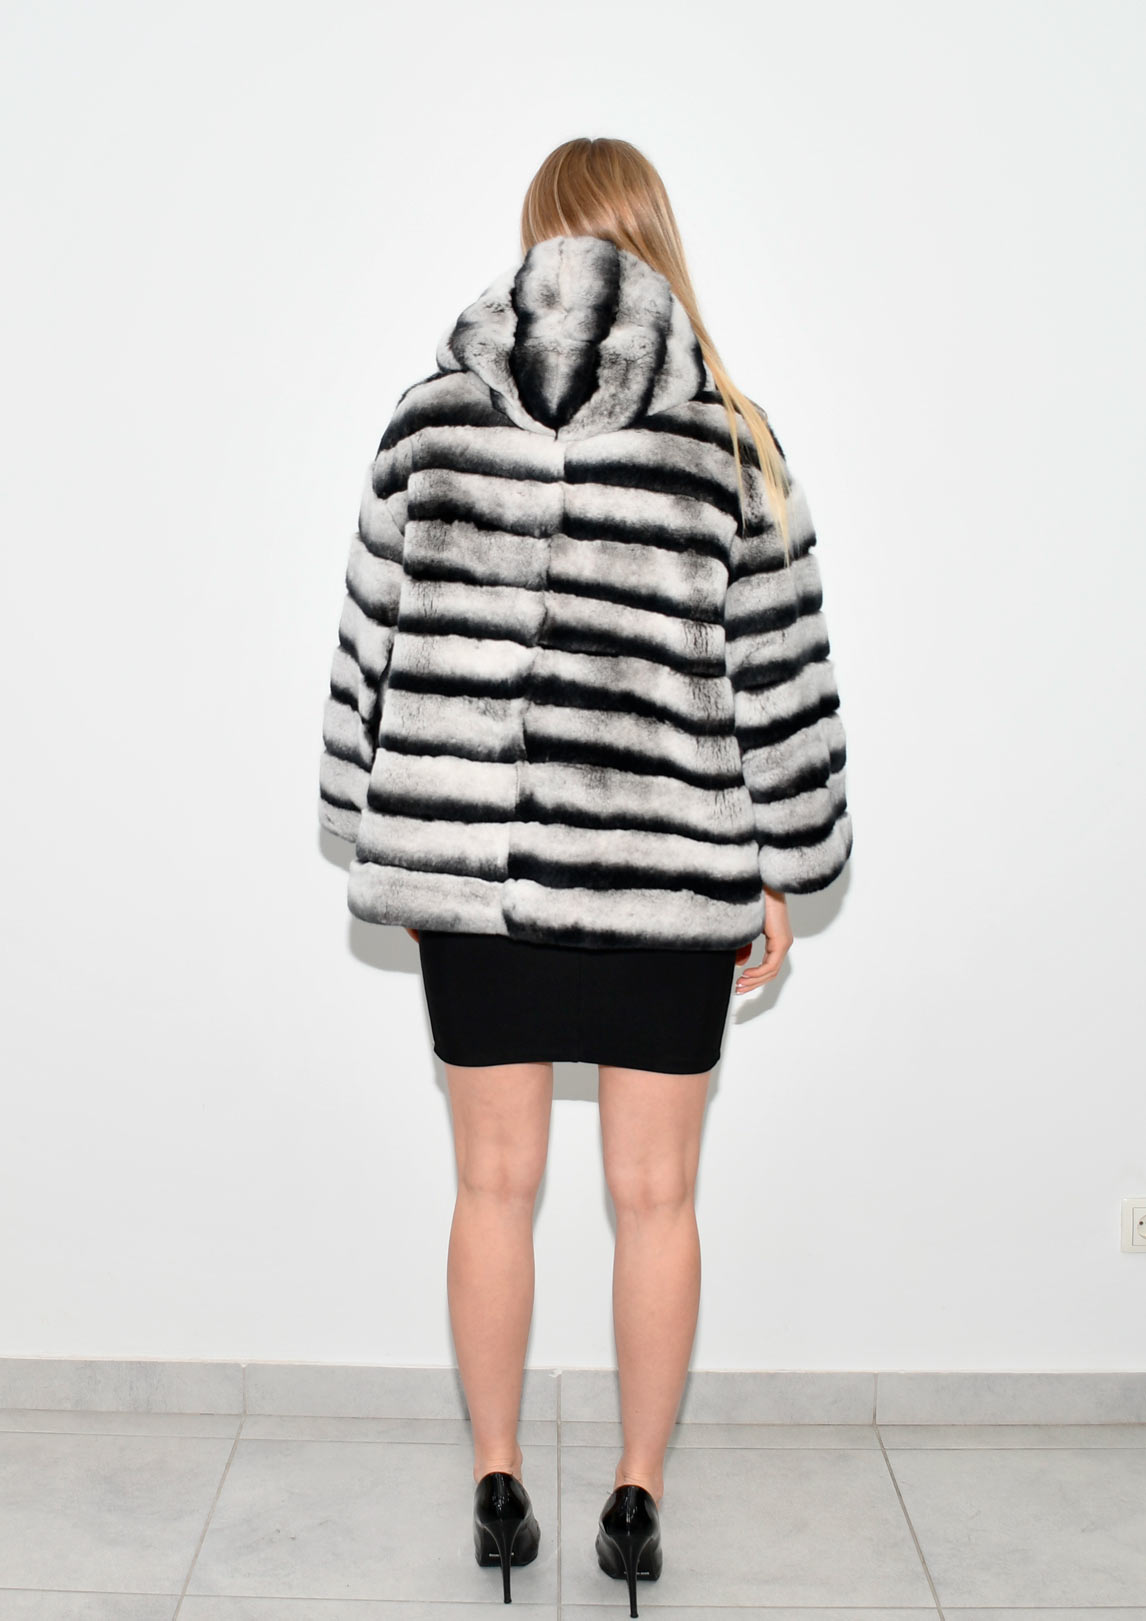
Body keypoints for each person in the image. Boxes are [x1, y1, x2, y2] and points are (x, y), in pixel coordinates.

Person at [318, 135, 853, 1614]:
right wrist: (788, 863)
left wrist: (369, 819)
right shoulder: (730, 440)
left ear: (537, 236)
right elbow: (780, 676)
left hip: (478, 880)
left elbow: (365, 641)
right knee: (656, 1198)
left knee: (490, 1185)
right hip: (663, 876)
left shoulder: (429, 419)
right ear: (653, 239)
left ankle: (497, 1478)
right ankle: (634, 1494)